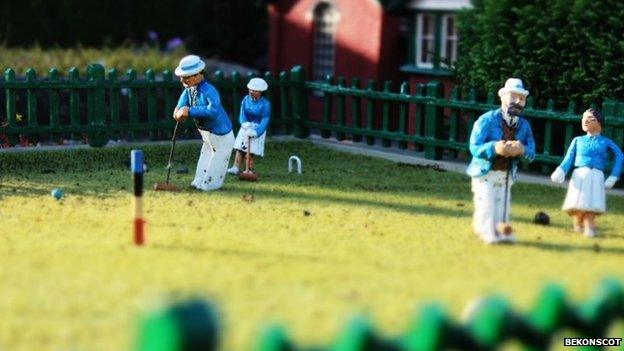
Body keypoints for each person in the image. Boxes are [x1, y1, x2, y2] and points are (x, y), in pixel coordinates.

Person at [466, 78, 536, 244]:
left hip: (506, 174)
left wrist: (522, 150)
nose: (518, 101)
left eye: (522, 98)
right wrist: (494, 147)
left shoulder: (524, 126)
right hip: (485, 172)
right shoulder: (486, 120)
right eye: (513, 97)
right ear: (503, 97)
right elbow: (474, 147)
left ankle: (501, 230)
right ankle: (486, 230)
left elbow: (532, 153)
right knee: (487, 203)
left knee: (503, 205)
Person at [550, 108, 623, 237]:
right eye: (584, 117)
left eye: (591, 118)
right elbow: (569, 158)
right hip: (579, 175)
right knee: (578, 201)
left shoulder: (605, 142)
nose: (586, 120)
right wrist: (561, 170)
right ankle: (578, 222)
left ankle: (589, 223)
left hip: (596, 175)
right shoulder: (578, 140)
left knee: (592, 201)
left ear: (599, 123)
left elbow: (619, 155)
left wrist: (614, 175)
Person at [173, 55, 234, 191]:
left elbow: (213, 111)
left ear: (198, 75)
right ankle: (198, 181)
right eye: (182, 76)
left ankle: (210, 184)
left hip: (221, 134)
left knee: (218, 160)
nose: (183, 80)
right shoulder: (189, 90)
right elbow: (181, 104)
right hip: (206, 133)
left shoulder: (209, 91)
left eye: (186, 77)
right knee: (205, 156)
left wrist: (189, 111)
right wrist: (178, 111)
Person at [227, 78, 271, 175]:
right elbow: (242, 114)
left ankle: (248, 169)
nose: (251, 92)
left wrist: (257, 132)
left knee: (250, 151)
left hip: (256, 128)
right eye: (250, 89)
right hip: (246, 127)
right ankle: (235, 167)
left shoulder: (266, 104)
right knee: (239, 148)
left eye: (255, 91)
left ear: (260, 92)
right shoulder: (245, 100)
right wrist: (244, 123)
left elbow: (265, 120)